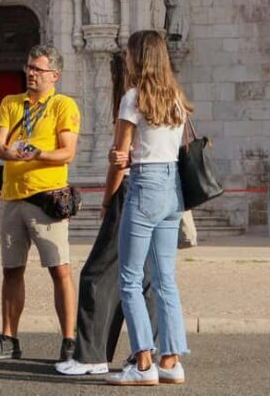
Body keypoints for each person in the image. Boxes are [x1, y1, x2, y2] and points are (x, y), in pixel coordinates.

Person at [55, 52, 158, 376]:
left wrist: (107, 200)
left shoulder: (132, 100)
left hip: (130, 192)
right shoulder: (171, 100)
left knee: (96, 275)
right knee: (149, 278)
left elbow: (119, 160)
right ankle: (152, 354)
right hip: (161, 192)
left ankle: (91, 356)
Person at [0, 45, 80, 362]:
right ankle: (9, 338)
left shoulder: (63, 105)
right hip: (11, 196)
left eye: (38, 69)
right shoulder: (11, 103)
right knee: (11, 270)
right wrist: (8, 152)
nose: (31, 73)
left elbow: (67, 152)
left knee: (59, 269)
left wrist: (39, 154)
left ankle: (70, 340)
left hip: (47, 197)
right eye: (29, 67)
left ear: (54, 75)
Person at [105, 30, 193, 386]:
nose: (126, 58)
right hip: (173, 187)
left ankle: (143, 363)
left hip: (145, 184)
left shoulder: (133, 97)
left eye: (129, 53)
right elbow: (169, 146)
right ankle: (171, 359)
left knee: (129, 278)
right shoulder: (176, 98)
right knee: (164, 278)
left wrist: (109, 193)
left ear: (138, 58)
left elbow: (120, 153)